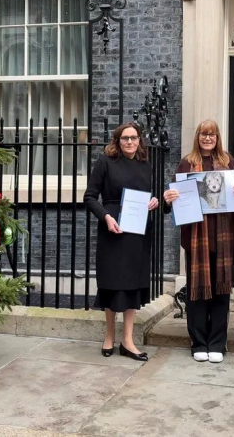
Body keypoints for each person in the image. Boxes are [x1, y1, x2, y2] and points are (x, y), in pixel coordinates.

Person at [163, 120, 234, 363]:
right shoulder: (187, 163)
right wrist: (168, 198)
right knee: (196, 293)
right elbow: (173, 201)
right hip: (196, 240)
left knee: (221, 291)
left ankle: (217, 343)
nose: (208, 138)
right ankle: (198, 342)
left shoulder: (228, 162)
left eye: (212, 134)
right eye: (203, 134)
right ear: (198, 137)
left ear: (217, 137)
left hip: (224, 240)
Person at [84, 121, 159, 361]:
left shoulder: (145, 165)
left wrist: (155, 201)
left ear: (139, 140)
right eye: (125, 138)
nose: (129, 142)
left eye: (134, 138)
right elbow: (89, 197)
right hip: (113, 229)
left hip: (137, 232)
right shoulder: (105, 162)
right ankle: (109, 336)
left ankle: (127, 340)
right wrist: (106, 217)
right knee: (112, 283)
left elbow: (148, 195)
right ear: (117, 141)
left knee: (132, 284)